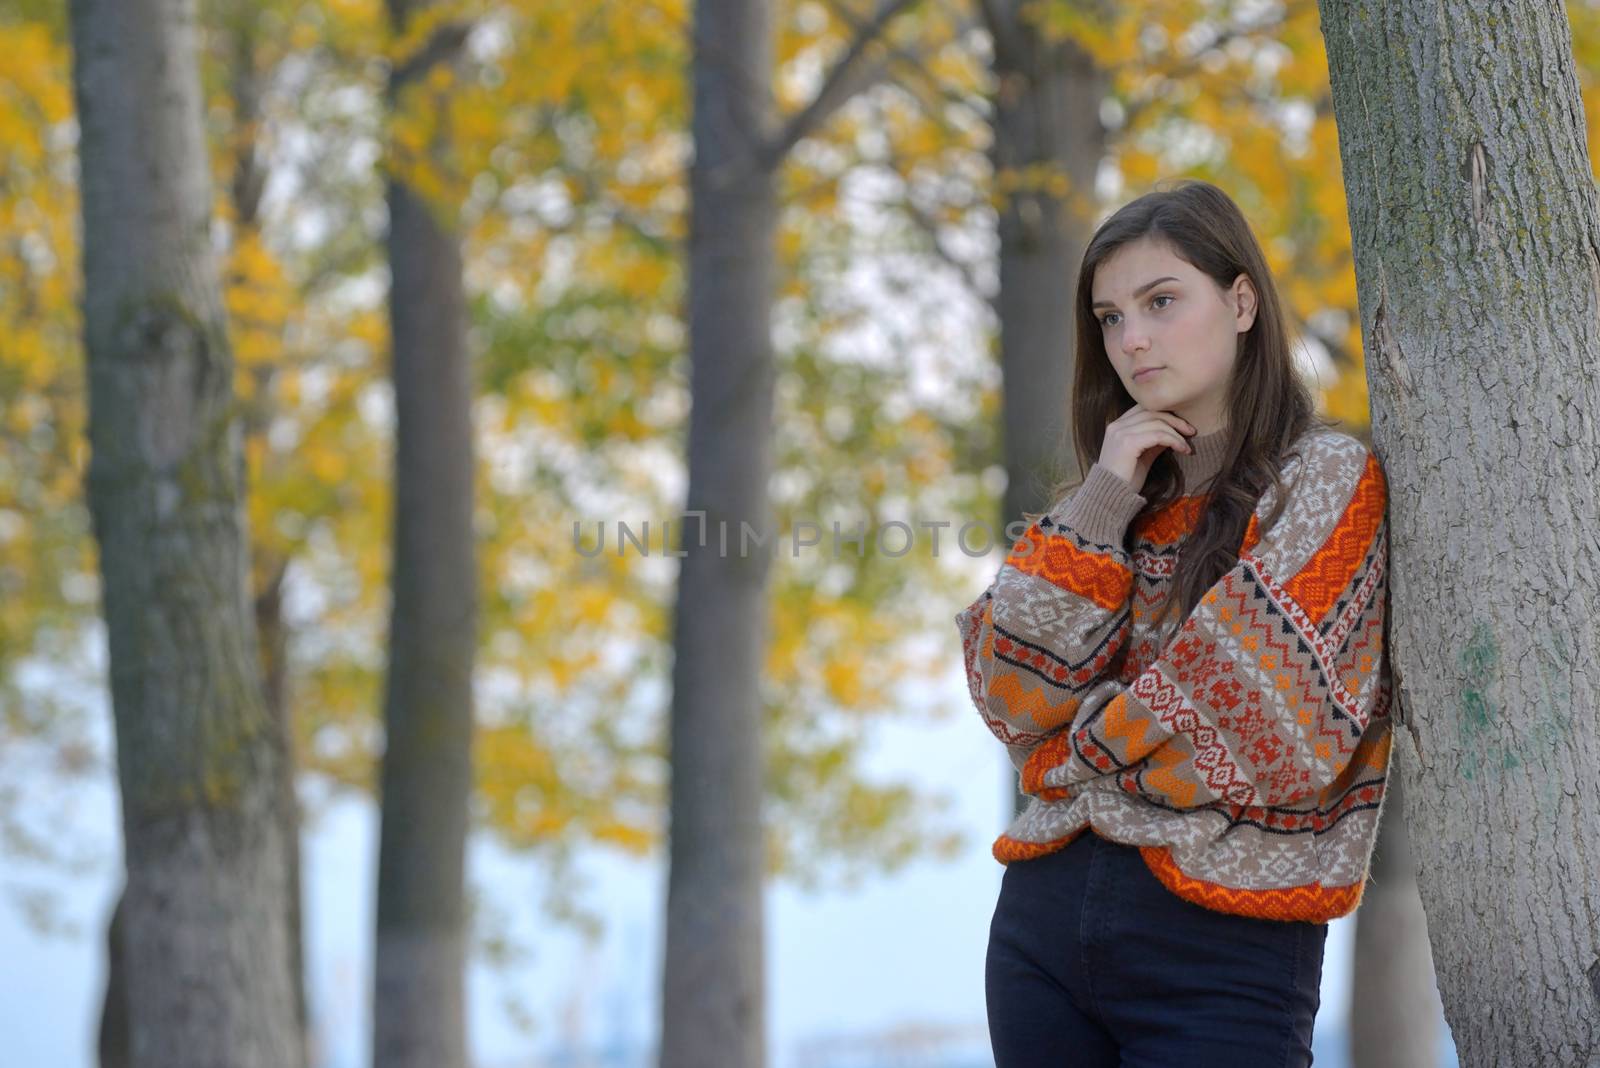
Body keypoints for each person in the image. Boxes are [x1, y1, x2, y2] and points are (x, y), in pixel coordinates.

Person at [955, 178, 1394, 1068]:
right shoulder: (1105, 506)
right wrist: (1106, 492)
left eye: (1161, 301)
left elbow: (1263, 715)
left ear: (1240, 301)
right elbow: (1007, 688)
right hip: (1040, 929)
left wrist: (1066, 758)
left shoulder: (1325, 480)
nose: (1134, 339)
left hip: (1223, 941)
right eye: (1110, 317)